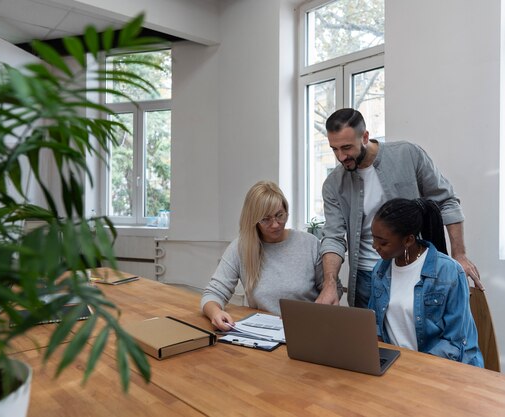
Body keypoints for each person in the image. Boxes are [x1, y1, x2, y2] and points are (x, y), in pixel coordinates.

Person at [316, 108, 481, 308]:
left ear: (365, 137)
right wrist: (330, 284)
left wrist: (459, 255)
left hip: (415, 270)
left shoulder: (408, 154)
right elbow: (333, 237)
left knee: (416, 336)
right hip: (366, 278)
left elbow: (446, 201)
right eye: (334, 149)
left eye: (347, 148)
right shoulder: (333, 184)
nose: (341, 157)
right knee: (367, 339)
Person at [201, 181, 342, 331]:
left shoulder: (310, 244)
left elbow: (334, 289)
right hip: (263, 333)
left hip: (307, 329)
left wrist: (313, 313)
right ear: (253, 220)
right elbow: (213, 293)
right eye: (266, 219)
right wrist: (215, 313)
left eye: (280, 215)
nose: (275, 224)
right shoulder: (241, 248)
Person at [368, 198, 484, 367]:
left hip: (442, 369)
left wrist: (414, 366)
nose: (374, 246)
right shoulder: (380, 270)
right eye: (373, 238)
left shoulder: (448, 271)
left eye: (383, 242)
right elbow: (375, 325)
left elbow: (455, 341)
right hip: (398, 367)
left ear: (408, 240)